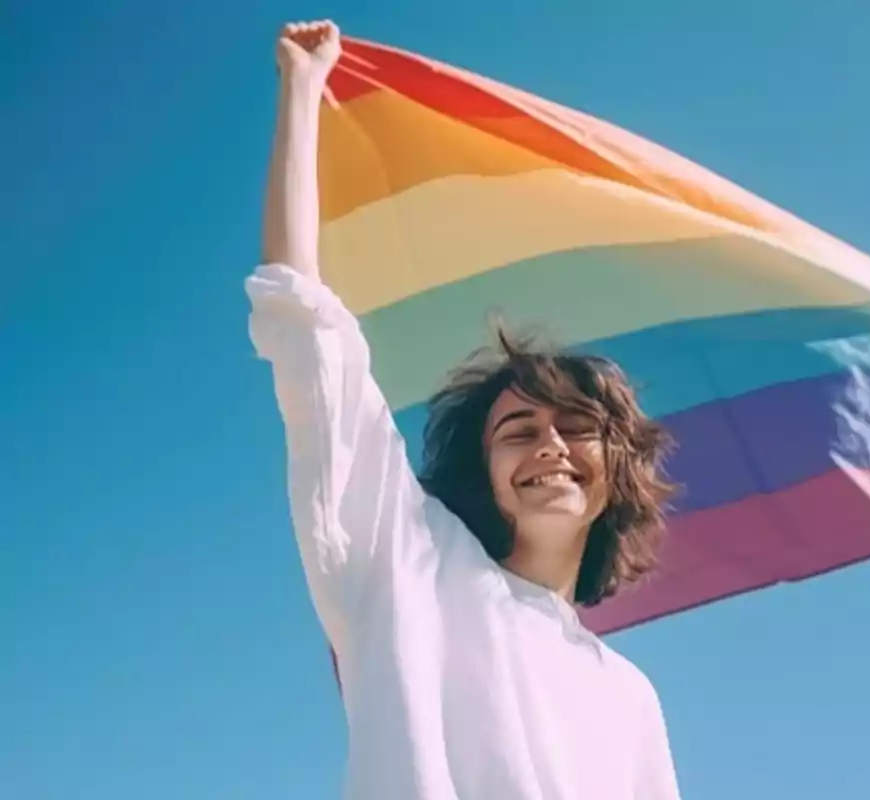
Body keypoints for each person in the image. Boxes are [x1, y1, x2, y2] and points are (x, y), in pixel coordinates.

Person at [247, 20, 684, 800]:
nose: (549, 444)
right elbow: (307, 327)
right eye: (518, 431)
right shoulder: (410, 564)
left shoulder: (631, 698)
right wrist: (303, 90)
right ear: (483, 472)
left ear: (618, 475)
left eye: (576, 428)